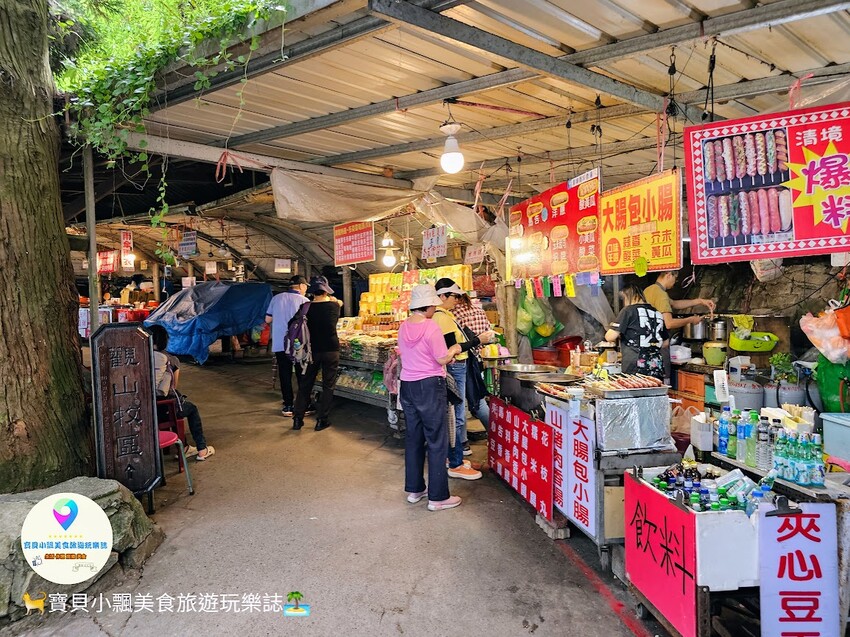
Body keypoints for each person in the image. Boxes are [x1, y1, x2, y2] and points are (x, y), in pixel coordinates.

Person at [398, 285, 463, 511]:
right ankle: (437, 497)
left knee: (414, 438)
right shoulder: (431, 327)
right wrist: (454, 350)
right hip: (429, 387)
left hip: (407, 386)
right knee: (436, 440)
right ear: (427, 306)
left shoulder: (403, 327)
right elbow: (441, 358)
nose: (435, 309)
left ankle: (415, 490)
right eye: (433, 305)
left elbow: (414, 355)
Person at [433, 278, 496, 481]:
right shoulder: (441, 317)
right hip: (457, 367)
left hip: (458, 366)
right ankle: (456, 462)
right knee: (457, 414)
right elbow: (453, 347)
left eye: (459, 296)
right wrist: (479, 340)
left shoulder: (446, 315)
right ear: (441, 296)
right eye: (454, 296)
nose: (457, 300)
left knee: (457, 412)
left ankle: (453, 457)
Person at [149, 325, 215, 461]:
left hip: (144, 409)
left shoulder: (138, 357)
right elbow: (173, 387)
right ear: (164, 340)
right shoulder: (172, 360)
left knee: (174, 407)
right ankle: (202, 449)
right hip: (164, 409)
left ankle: (184, 447)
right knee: (190, 409)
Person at [293, 276, 340, 432]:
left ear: (312, 292)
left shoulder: (305, 307)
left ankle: (297, 419)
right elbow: (338, 302)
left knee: (305, 384)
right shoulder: (334, 306)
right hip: (331, 350)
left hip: (311, 351)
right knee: (328, 385)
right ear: (326, 291)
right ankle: (322, 420)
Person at [605, 285, 670, 380]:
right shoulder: (657, 312)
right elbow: (665, 343)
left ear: (629, 296)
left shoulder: (628, 311)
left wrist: (614, 327)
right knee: (655, 393)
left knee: (635, 393)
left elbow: (610, 337)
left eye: (624, 299)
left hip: (635, 366)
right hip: (656, 365)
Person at [265, 275, 309, 416]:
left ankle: (288, 406)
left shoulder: (276, 298)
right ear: (301, 286)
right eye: (306, 287)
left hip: (280, 343)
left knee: (284, 374)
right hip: (298, 344)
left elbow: (268, 319)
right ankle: (304, 405)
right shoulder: (304, 301)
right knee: (301, 374)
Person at [451, 292, 492, 434]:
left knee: (459, 402)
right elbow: (489, 334)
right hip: (478, 360)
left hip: (462, 361)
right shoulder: (479, 311)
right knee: (478, 399)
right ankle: (494, 434)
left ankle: (462, 442)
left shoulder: (453, 313)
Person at [643, 270, 716, 331]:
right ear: (669, 275)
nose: (675, 281)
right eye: (675, 278)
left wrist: (700, 301)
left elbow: (675, 304)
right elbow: (669, 323)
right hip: (655, 339)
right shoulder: (661, 294)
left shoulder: (649, 289)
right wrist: (690, 320)